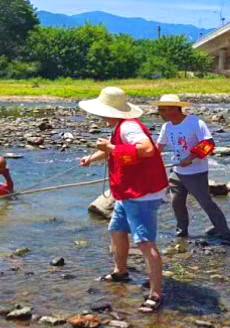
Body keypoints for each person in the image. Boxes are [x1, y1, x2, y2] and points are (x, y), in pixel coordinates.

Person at [79, 87, 169, 313]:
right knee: (117, 229)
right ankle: (121, 272)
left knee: (145, 242)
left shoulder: (129, 127)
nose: (99, 116)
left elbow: (147, 150)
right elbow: (117, 149)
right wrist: (92, 158)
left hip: (142, 193)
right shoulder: (120, 126)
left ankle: (156, 294)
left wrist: (109, 148)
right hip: (127, 191)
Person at [153, 94, 230, 245]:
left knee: (205, 203)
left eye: (162, 110)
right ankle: (181, 232)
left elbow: (209, 144)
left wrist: (189, 159)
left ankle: (224, 233)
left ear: (173, 109)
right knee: (176, 202)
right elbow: (158, 147)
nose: (160, 113)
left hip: (196, 172)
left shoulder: (195, 122)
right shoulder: (167, 126)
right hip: (177, 171)